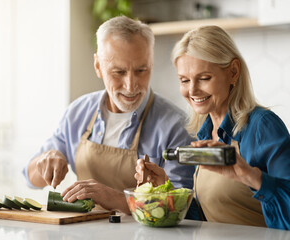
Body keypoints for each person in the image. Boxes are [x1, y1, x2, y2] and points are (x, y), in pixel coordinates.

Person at [22, 16, 195, 214]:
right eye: (118, 72)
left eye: (141, 70)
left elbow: (182, 208)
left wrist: (111, 197)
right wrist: (46, 159)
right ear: (98, 66)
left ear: (152, 64)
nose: (131, 85)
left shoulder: (177, 126)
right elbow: (30, 178)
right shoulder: (78, 113)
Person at [135, 25, 290, 230]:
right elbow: (207, 219)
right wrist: (165, 188)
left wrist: (251, 177)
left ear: (233, 72)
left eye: (204, 78)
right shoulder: (205, 132)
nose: (192, 90)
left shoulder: (262, 126)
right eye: (184, 80)